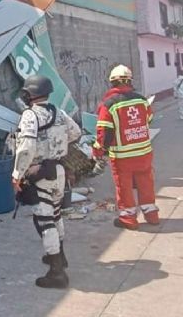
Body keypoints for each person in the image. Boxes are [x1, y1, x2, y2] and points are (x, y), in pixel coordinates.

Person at [11, 75, 81, 289]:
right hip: (58, 169)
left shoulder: (30, 115)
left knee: (45, 220)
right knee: (56, 214)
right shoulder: (58, 112)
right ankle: (59, 256)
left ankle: (56, 273)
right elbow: (76, 133)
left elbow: (26, 148)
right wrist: (55, 145)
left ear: (28, 94)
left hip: (40, 172)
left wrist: (17, 174)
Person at [93, 65, 157, 230]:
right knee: (146, 182)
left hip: (123, 156)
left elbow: (104, 131)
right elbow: (148, 119)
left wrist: (98, 151)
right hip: (144, 152)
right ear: (129, 81)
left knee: (124, 186)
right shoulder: (142, 100)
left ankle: (129, 218)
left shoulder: (109, 104)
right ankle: (151, 214)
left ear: (112, 83)